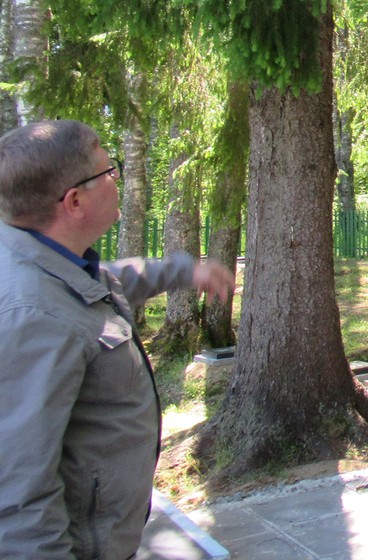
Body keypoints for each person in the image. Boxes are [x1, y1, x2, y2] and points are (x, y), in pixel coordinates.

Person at [0, 119, 234, 560]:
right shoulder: (31, 316)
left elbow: (107, 280)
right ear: (74, 201)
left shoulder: (45, 259)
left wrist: (183, 270)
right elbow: (17, 494)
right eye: (108, 172)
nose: (115, 181)